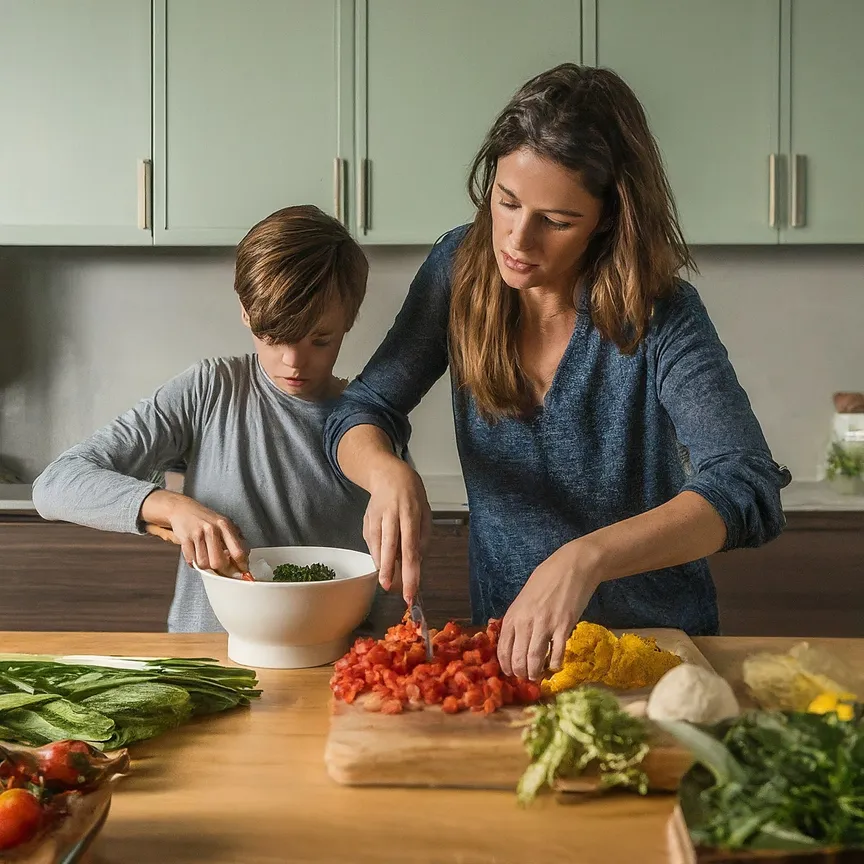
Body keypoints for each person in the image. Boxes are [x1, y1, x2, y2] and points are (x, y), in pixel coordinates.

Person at [324, 64, 791, 682]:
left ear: (609, 217)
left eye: (557, 220)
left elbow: (747, 484)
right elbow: (362, 411)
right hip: (514, 655)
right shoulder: (457, 272)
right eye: (507, 202)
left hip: (655, 651)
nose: (518, 239)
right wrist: (386, 474)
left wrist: (587, 557)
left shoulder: (663, 314)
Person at [33, 205, 372, 633]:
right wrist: (170, 506)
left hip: (333, 659)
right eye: (272, 338)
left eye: (319, 340)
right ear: (246, 313)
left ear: (349, 321)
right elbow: (55, 484)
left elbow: (388, 572)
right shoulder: (209, 389)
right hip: (206, 655)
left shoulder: (369, 413)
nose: (292, 361)